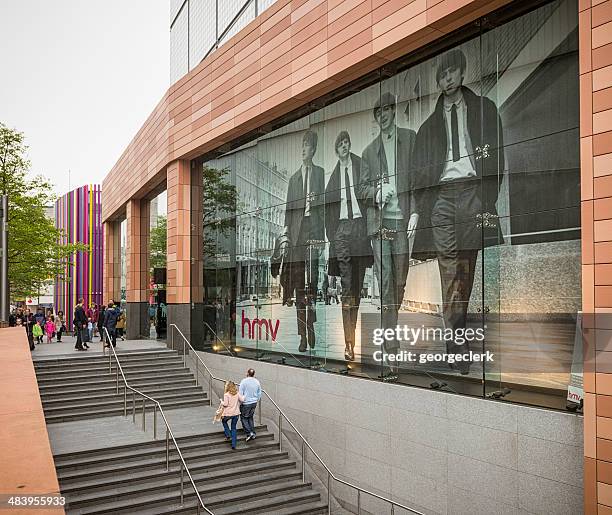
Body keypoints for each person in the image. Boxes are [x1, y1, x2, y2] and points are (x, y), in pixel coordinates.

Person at [412, 49, 504, 374]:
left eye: (452, 72)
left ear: (462, 73)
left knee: (466, 267)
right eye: (443, 74)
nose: (447, 79)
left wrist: (486, 199)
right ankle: (458, 339)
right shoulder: (428, 127)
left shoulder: (483, 110)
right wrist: (422, 208)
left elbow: (498, 156)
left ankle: (456, 333)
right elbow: (418, 172)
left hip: (472, 192)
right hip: (443, 198)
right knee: (448, 269)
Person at [358, 92, 417, 377]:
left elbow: (418, 178)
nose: (382, 116)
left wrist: (415, 211)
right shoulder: (369, 151)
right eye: (377, 112)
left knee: (400, 278)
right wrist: (377, 192)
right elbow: (361, 189)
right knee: (385, 281)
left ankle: (391, 330)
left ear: (393, 111)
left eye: (386, 110)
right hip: (380, 224)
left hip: (402, 220)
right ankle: (391, 347)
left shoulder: (409, 138)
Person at [325, 130, 373, 361]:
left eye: (347, 142)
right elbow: (327, 213)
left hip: (360, 229)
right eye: (340, 143)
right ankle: (349, 343)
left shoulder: (360, 164)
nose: (344, 146)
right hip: (342, 231)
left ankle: (352, 334)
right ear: (336, 149)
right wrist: (333, 238)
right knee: (346, 288)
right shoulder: (333, 180)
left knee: (356, 287)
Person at [278, 130, 325, 352]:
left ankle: (312, 327)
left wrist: (323, 239)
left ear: (313, 149)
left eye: (307, 145)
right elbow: (288, 210)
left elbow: (325, 206)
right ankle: (302, 335)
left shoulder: (320, 174)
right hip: (297, 235)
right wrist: (286, 236)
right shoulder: (293, 179)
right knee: (299, 287)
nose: (303, 149)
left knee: (312, 283)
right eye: (302, 145)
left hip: (313, 231)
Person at [239, 368, 261, 442]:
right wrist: (256, 400)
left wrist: (241, 402)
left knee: (243, 418)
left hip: (246, 403)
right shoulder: (257, 382)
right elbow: (259, 393)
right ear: (254, 374)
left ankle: (249, 433)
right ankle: (253, 433)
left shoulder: (244, 381)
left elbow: (240, 393)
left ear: (247, 373)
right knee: (250, 418)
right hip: (254, 403)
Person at [221, 381, 244, 450]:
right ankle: (234, 444)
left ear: (227, 387)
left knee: (224, 421)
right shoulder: (237, 393)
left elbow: (225, 404)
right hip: (236, 414)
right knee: (233, 428)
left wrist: (221, 402)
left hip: (228, 413)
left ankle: (228, 434)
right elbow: (242, 400)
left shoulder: (226, 394)